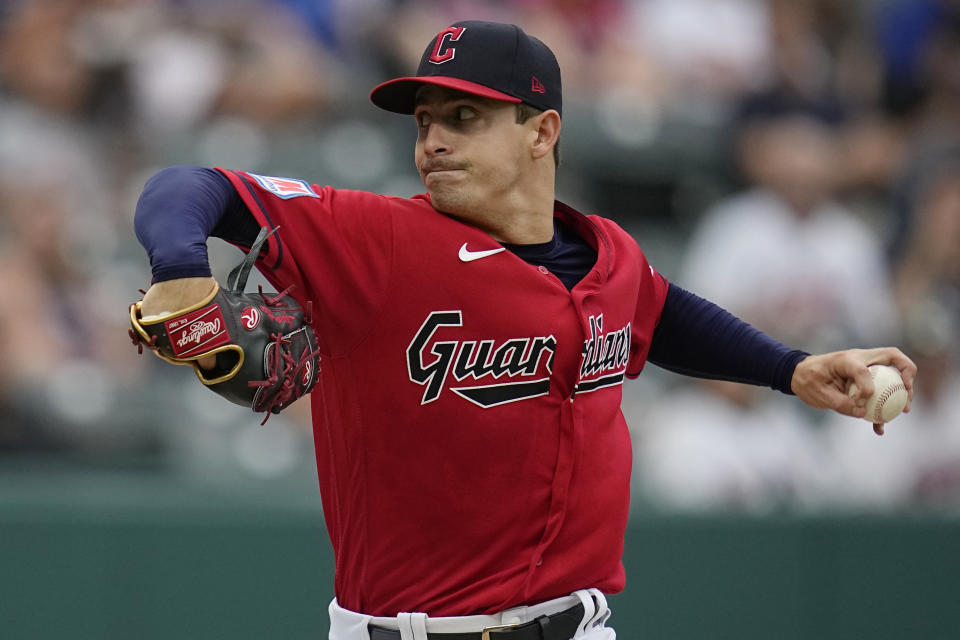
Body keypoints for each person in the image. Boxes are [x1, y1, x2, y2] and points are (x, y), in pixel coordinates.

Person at [131, 21, 917, 640]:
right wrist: (178, 268)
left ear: (542, 133)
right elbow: (188, 186)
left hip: (580, 625)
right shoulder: (375, 241)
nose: (432, 141)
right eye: (426, 121)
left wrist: (793, 369)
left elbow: (660, 312)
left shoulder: (611, 254)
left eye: (464, 119)